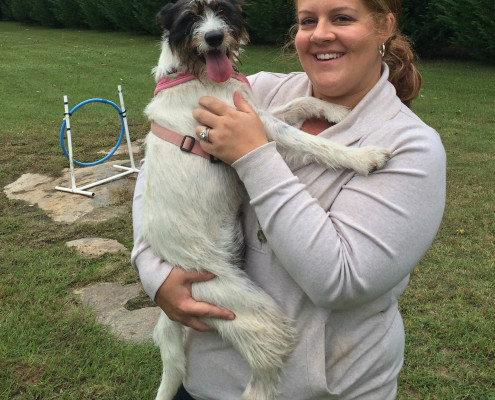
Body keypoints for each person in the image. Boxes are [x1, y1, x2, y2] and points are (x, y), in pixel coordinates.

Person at [131, 0, 446, 398]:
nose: (321, 34)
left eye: (343, 18)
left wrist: (254, 155)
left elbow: (339, 283)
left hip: (316, 388)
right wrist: (153, 272)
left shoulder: (412, 148)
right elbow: (158, 169)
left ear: (384, 26)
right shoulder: (255, 86)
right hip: (203, 380)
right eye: (308, 21)